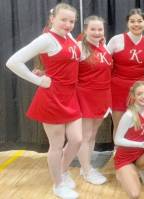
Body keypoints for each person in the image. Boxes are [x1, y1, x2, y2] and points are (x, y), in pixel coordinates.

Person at [6, 3, 81, 199]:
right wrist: (39, 80)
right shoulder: (46, 38)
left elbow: (63, 62)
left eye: (72, 21)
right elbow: (13, 61)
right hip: (53, 97)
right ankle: (58, 184)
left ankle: (62, 172)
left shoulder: (69, 36)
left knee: (76, 140)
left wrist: (47, 71)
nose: (68, 24)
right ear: (52, 19)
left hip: (71, 95)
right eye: (63, 20)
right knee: (56, 145)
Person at [76, 16, 112, 185]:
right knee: (85, 136)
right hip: (86, 96)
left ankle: (86, 167)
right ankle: (87, 170)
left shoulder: (103, 46)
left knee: (92, 135)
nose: (97, 33)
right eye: (93, 29)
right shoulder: (80, 48)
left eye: (100, 29)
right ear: (85, 30)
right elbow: (62, 67)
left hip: (102, 95)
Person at [107, 8, 144, 138]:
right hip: (118, 87)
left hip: (139, 89)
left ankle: (134, 152)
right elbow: (104, 62)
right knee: (119, 123)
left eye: (139, 21)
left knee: (137, 123)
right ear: (127, 23)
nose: (136, 24)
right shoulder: (117, 40)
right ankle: (117, 154)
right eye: (132, 21)